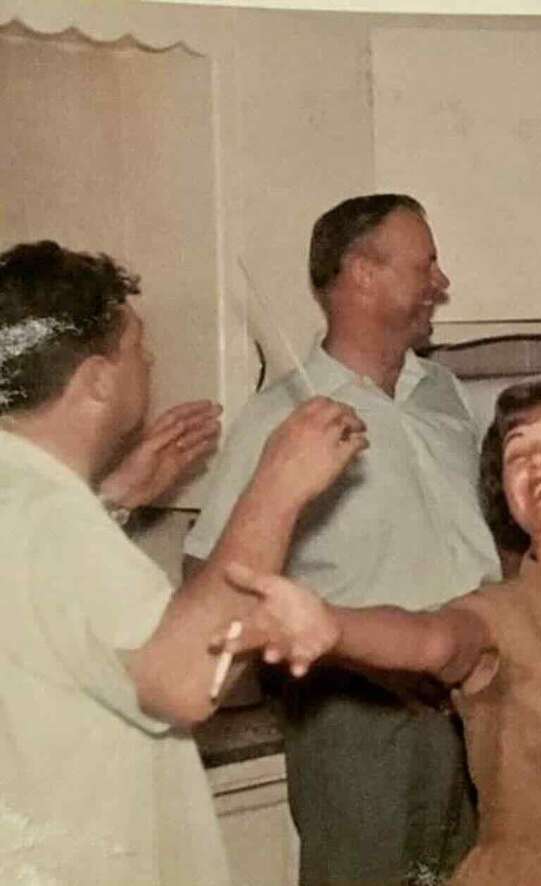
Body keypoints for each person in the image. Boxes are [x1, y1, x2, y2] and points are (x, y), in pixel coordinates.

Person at [229, 376, 541, 885]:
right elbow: (432, 640)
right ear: (508, 497)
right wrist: (333, 625)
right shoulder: (497, 617)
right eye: (518, 454)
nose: (538, 461)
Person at [0, 240, 367, 886]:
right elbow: (184, 679)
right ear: (97, 381)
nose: (150, 359)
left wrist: (112, 498)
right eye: (137, 347)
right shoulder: (54, 517)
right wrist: (278, 485)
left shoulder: (25, 496)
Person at [185, 194, 501, 886]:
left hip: (477, 703)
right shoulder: (283, 417)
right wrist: (341, 662)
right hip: (358, 719)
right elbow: (211, 581)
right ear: (362, 273)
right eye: (426, 265)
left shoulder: (445, 392)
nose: (441, 283)